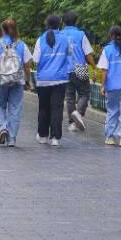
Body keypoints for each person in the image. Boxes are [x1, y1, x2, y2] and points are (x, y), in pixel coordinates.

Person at [0, 18, 32, 147]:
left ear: (2, 29)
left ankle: (2, 127)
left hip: (0, 80)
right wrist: (27, 80)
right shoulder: (22, 45)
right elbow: (27, 65)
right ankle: (12, 139)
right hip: (17, 81)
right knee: (15, 108)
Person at [33, 14, 73, 146]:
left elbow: (36, 60)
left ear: (47, 24)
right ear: (59, 24)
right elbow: (70, 53)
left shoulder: (40, 40)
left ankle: (42, 135)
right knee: (57, 108)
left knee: (43, 108)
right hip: (60, 80)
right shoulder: (65, 39)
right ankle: (55, 137)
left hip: (43, 79)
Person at [60, 10, 95, 132]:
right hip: (80, 68)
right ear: (76, 21)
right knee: (84, 93)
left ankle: (72, 122)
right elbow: (88, 53)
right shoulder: (81, 34)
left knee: (69, 97)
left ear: (64, 21)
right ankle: (78, 114)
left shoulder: (60, 35)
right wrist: (94, 67)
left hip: (65, 70)